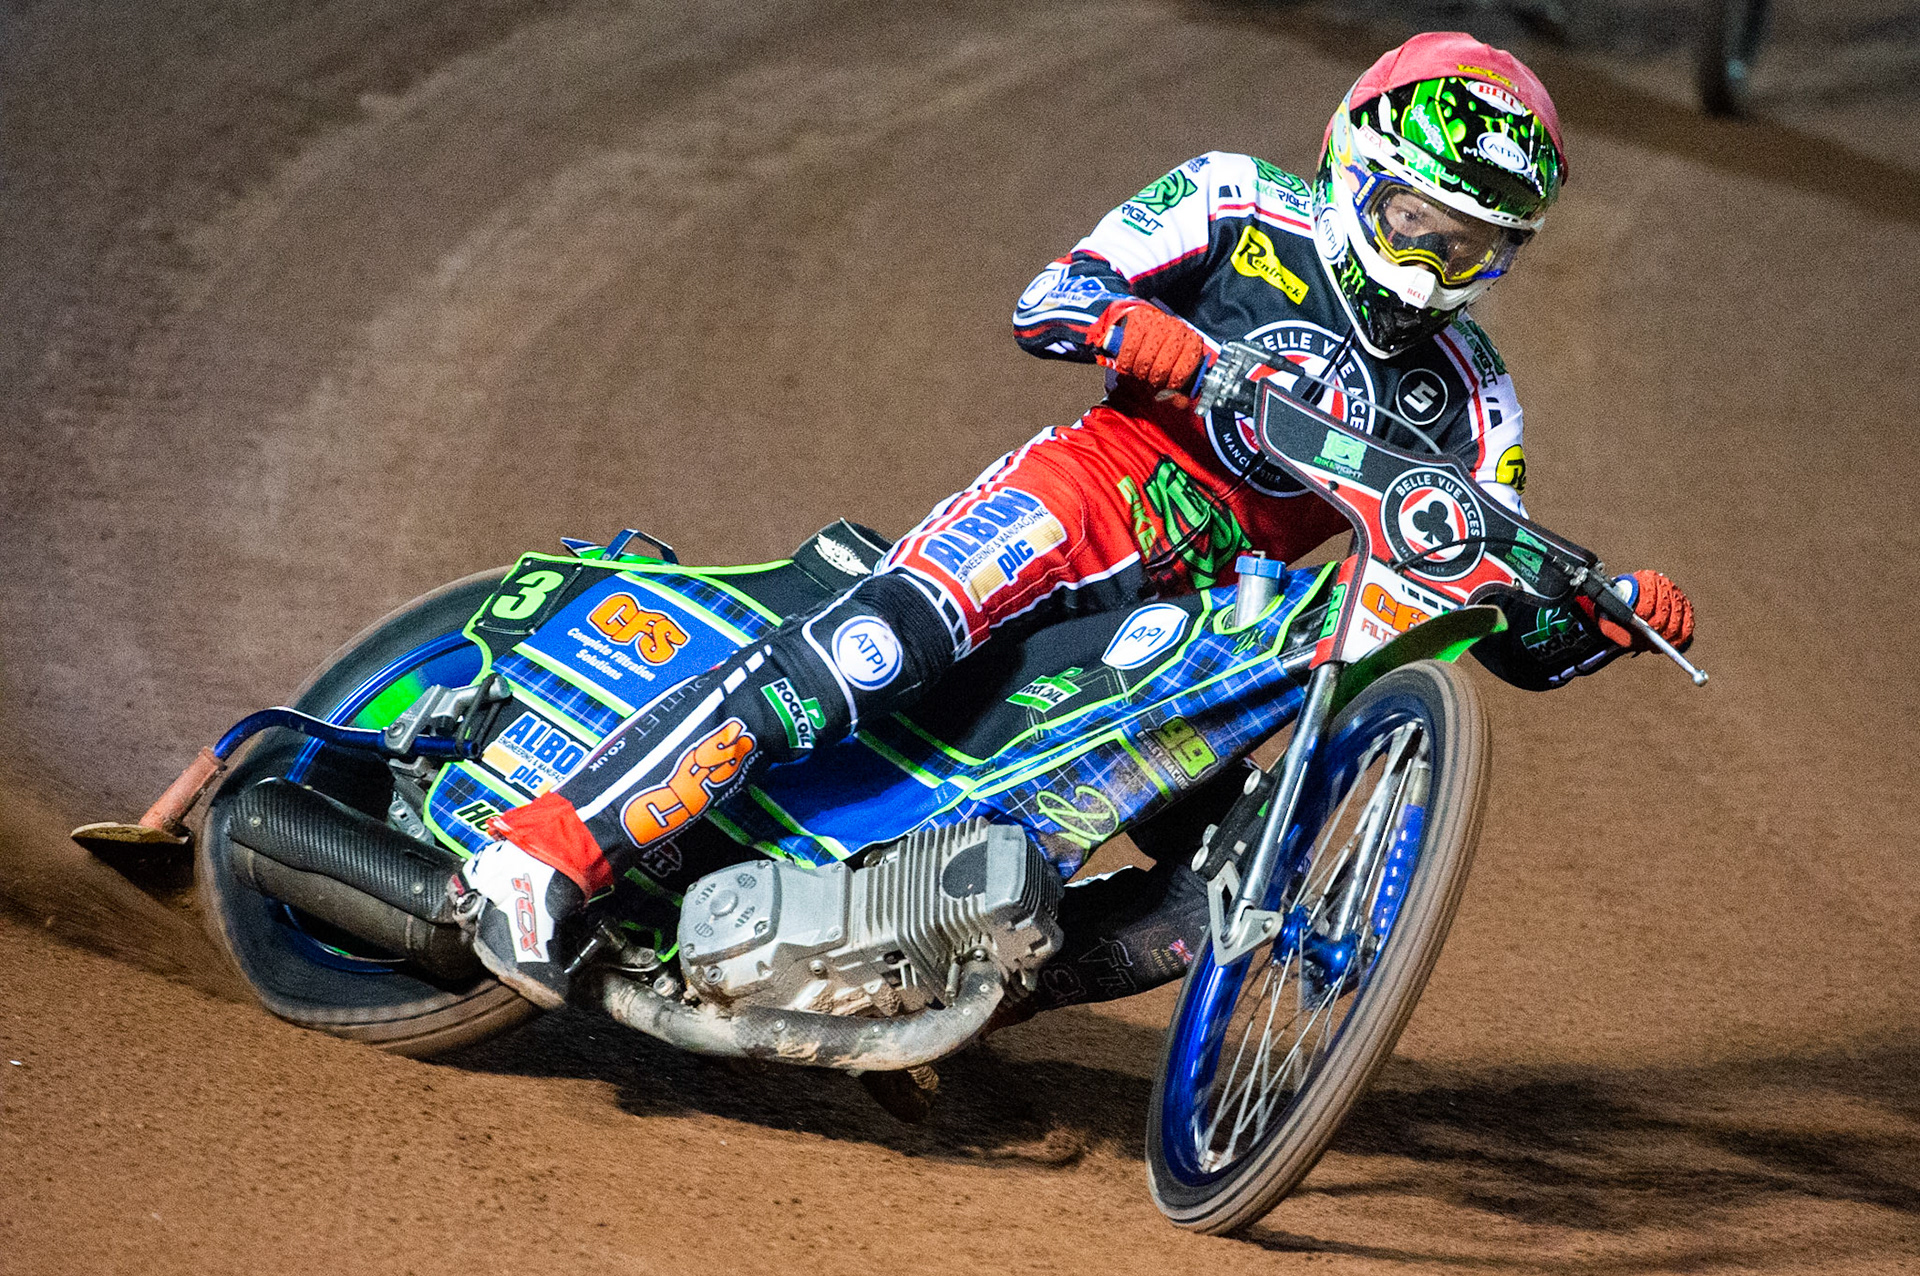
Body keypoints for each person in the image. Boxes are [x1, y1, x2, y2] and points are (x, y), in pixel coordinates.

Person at [454, 31, 1696, 1009]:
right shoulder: (1236, 198)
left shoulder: (1476, 400)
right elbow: (1050, 297)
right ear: (1351, 168)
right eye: (1412, 221)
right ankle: (544, 854)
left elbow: (1490, 603)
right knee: (870, 652)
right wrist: (1148, 335)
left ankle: (933, 997)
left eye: (1471, 247)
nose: (1429, 265)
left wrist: (1599, 621)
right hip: (1084, 499)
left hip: (1214, 622)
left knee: (1216, 890)